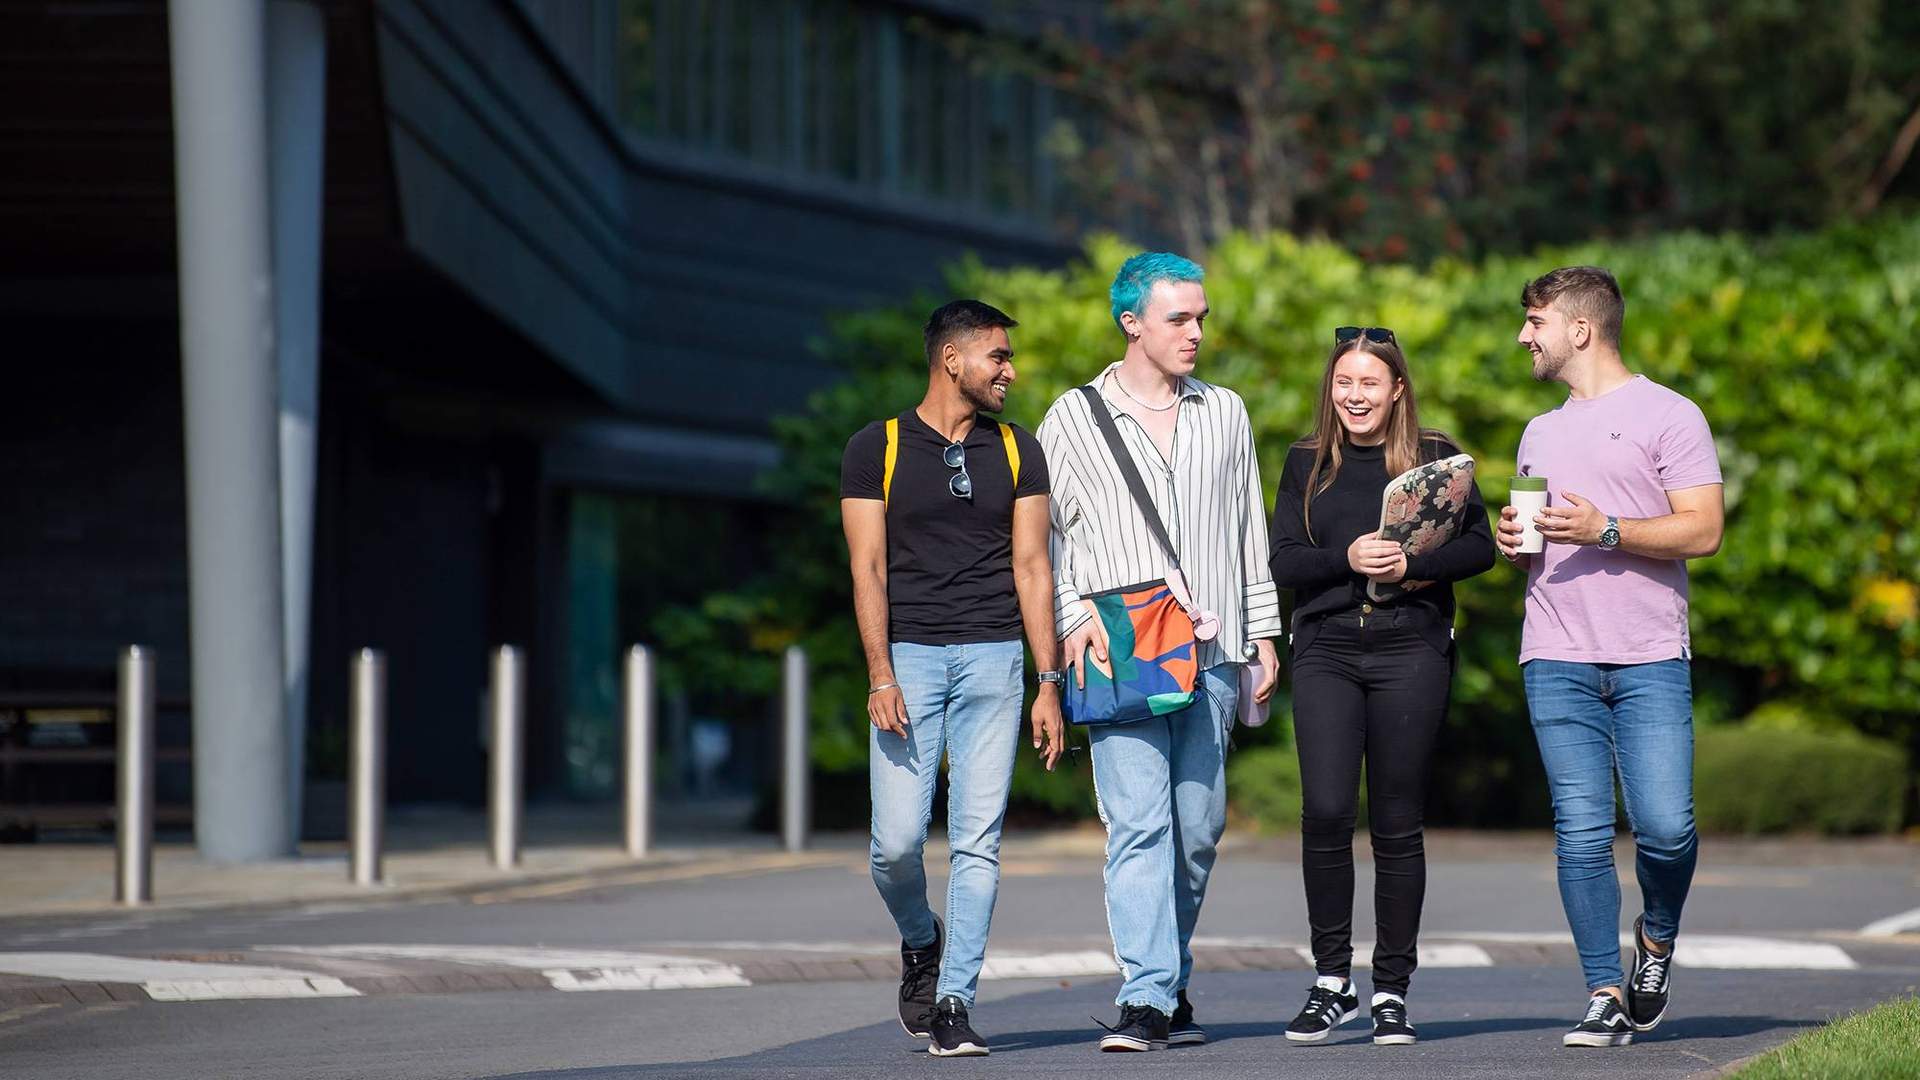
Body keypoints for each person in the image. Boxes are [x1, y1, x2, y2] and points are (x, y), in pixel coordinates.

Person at [1037, 252, 1282, 1052]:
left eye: (1201, 317)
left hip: (1213, 653)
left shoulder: (1227, 411)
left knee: (1198, 829)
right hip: (1119, 653)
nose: (1196, 332)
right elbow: (1044, 539)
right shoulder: (1071, 418)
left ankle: (1165, 978)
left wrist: (1264, 633)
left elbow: (1251, 529)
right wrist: (1072, 619)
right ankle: (1146, 996)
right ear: (1131, 323)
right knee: (1137, 826)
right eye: (1179, 318)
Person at [1497, 266, 1725, 1048]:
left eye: (1536, 321)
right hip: (1555, 652)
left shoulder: (1672, 415)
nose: (1525, 336)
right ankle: (1601, 988)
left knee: (1665, 829)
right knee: (1581, 830)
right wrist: (1515, 546)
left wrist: (1606, 528)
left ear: (1580, 329)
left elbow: (1702, 529)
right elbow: (1541, 548)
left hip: (1649, 655)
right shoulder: (1539, 431)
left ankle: (1655, 938)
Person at [840, 299, 1067, 1058]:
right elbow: (867, 568)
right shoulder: (876, 447)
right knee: (895, 845)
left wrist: (1049, 681)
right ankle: (919, 937)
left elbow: (1035, 567)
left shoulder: (1017, 450)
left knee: (978, 843)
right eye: (998, 357)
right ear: (953, 361)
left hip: (998, 660)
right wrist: (879, 672)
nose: (1010, 370)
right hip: (909, 660)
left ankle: (954, 1000)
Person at [1268, 325, 1496, 1047]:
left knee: (1397, 823)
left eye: (1370, 382)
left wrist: (1416, 569)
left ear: (1397, 388)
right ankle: (1330, 981)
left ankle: (1392, 990)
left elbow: (1482, 546)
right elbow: (1282, 561)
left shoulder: (1436, 458)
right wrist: (1348, 556)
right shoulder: (1306, 462)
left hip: (1412, 648)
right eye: (1343, 383)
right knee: (1328, 812)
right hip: (1328, 648)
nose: (1355, 395)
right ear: (1329, 389)